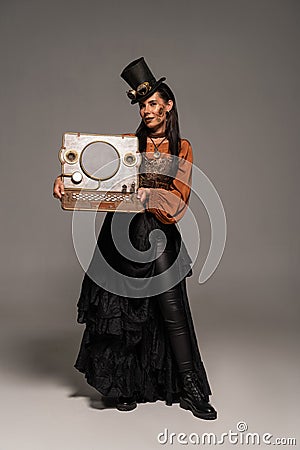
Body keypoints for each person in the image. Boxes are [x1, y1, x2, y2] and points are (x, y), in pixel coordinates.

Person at [53, 57, 217, 420]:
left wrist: (150, 196)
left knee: (172, 310)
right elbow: (95, 174)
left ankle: (190, 386)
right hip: (121, 233)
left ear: (168, 106)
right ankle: (123, 384)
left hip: (158, 233)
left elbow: (179, 201)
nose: (148, 111)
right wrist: (67, 182)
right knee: (123, 309)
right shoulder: (129, 144)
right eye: (144, 105)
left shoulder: (182, 148)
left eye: (154, 104)